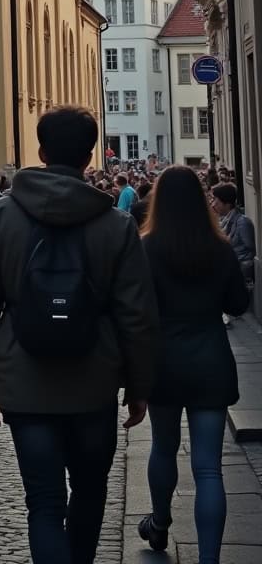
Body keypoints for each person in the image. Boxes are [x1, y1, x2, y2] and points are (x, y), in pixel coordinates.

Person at [0, 107, 157, 564]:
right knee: (89, 495)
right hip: (94, 380)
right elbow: (137, 314)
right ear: (90, 156)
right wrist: (141, 385)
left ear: (42, 152)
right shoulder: (116, 225)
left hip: (24, 381)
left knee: (44, 504)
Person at [137, 166, 250, 561]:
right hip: (210, 362)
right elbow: (238, 304)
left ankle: (161, 523)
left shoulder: (145, 246)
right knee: (209, 468)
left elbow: (136, 310)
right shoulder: (218, 247)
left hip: (163, 362)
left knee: (163, 448)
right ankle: (209, 559)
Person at [212, 183, 257, 290]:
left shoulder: (242, 222)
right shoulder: (223, 220)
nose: (214, 205)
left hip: (240, 276)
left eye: (217, 202)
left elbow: (250, 251)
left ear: (227, 204)